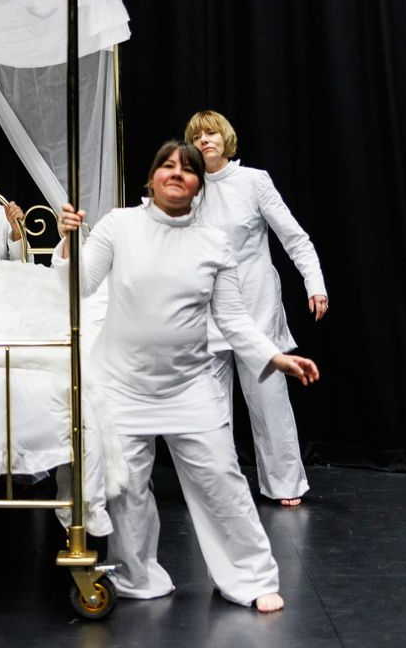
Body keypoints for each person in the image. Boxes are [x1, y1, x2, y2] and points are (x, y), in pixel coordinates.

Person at [58, 140, 320, 613]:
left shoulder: (213, 242)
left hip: (189, 387)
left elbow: (234, 319)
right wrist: (68, 240)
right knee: (127, 488)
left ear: (200, 184)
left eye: (188, 169)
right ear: (152, 177)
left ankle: (251, 578)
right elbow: (79, 286)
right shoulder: (120, 226)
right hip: (122, 385)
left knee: (223, 481)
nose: (177, 173)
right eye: (167, 165)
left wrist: (273, 356)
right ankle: (138, 577)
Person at [185, 110, 327, 507]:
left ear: (225, 138)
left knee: (269, 401)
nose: (204, 141)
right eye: (197, 136)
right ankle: (215, 488)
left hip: (255, 307)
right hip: (207, 310)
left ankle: (285, 482)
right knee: (210, 406)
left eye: (211, 133)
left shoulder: (253, 181)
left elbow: (295, 238)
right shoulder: (190, 187)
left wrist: (314, 284)